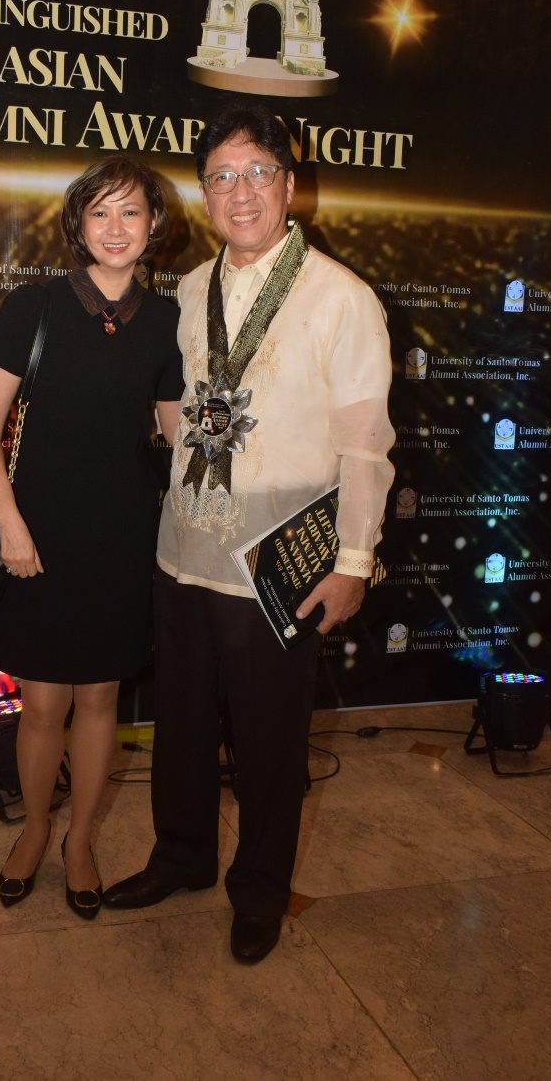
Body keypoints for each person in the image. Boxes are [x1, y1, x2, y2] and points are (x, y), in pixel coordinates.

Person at [103, 103, 395, 962]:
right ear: (203, 193)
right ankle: (182, 856)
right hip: (185, 549)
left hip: (277, 564)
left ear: (289, 185)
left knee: (269, 740)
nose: (240, 193)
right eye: (221, 176)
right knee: (182, 724)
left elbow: (366, 445)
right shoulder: (190, 288)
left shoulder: (342, 298)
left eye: (258, 173)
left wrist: (354, 561)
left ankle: (260, 889)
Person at [0, 157, 182, 917]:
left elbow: (177, 434)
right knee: (42, 704)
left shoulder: (169, 321)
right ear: (78, 224)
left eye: (131, 212)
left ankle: (81, 840)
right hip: (39, 532)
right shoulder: (36, 305)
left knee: (99, 699)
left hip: (123, 533)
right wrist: (11, 523)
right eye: (100, 212)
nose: (116, 228)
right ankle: (35, 830)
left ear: (154, 224)